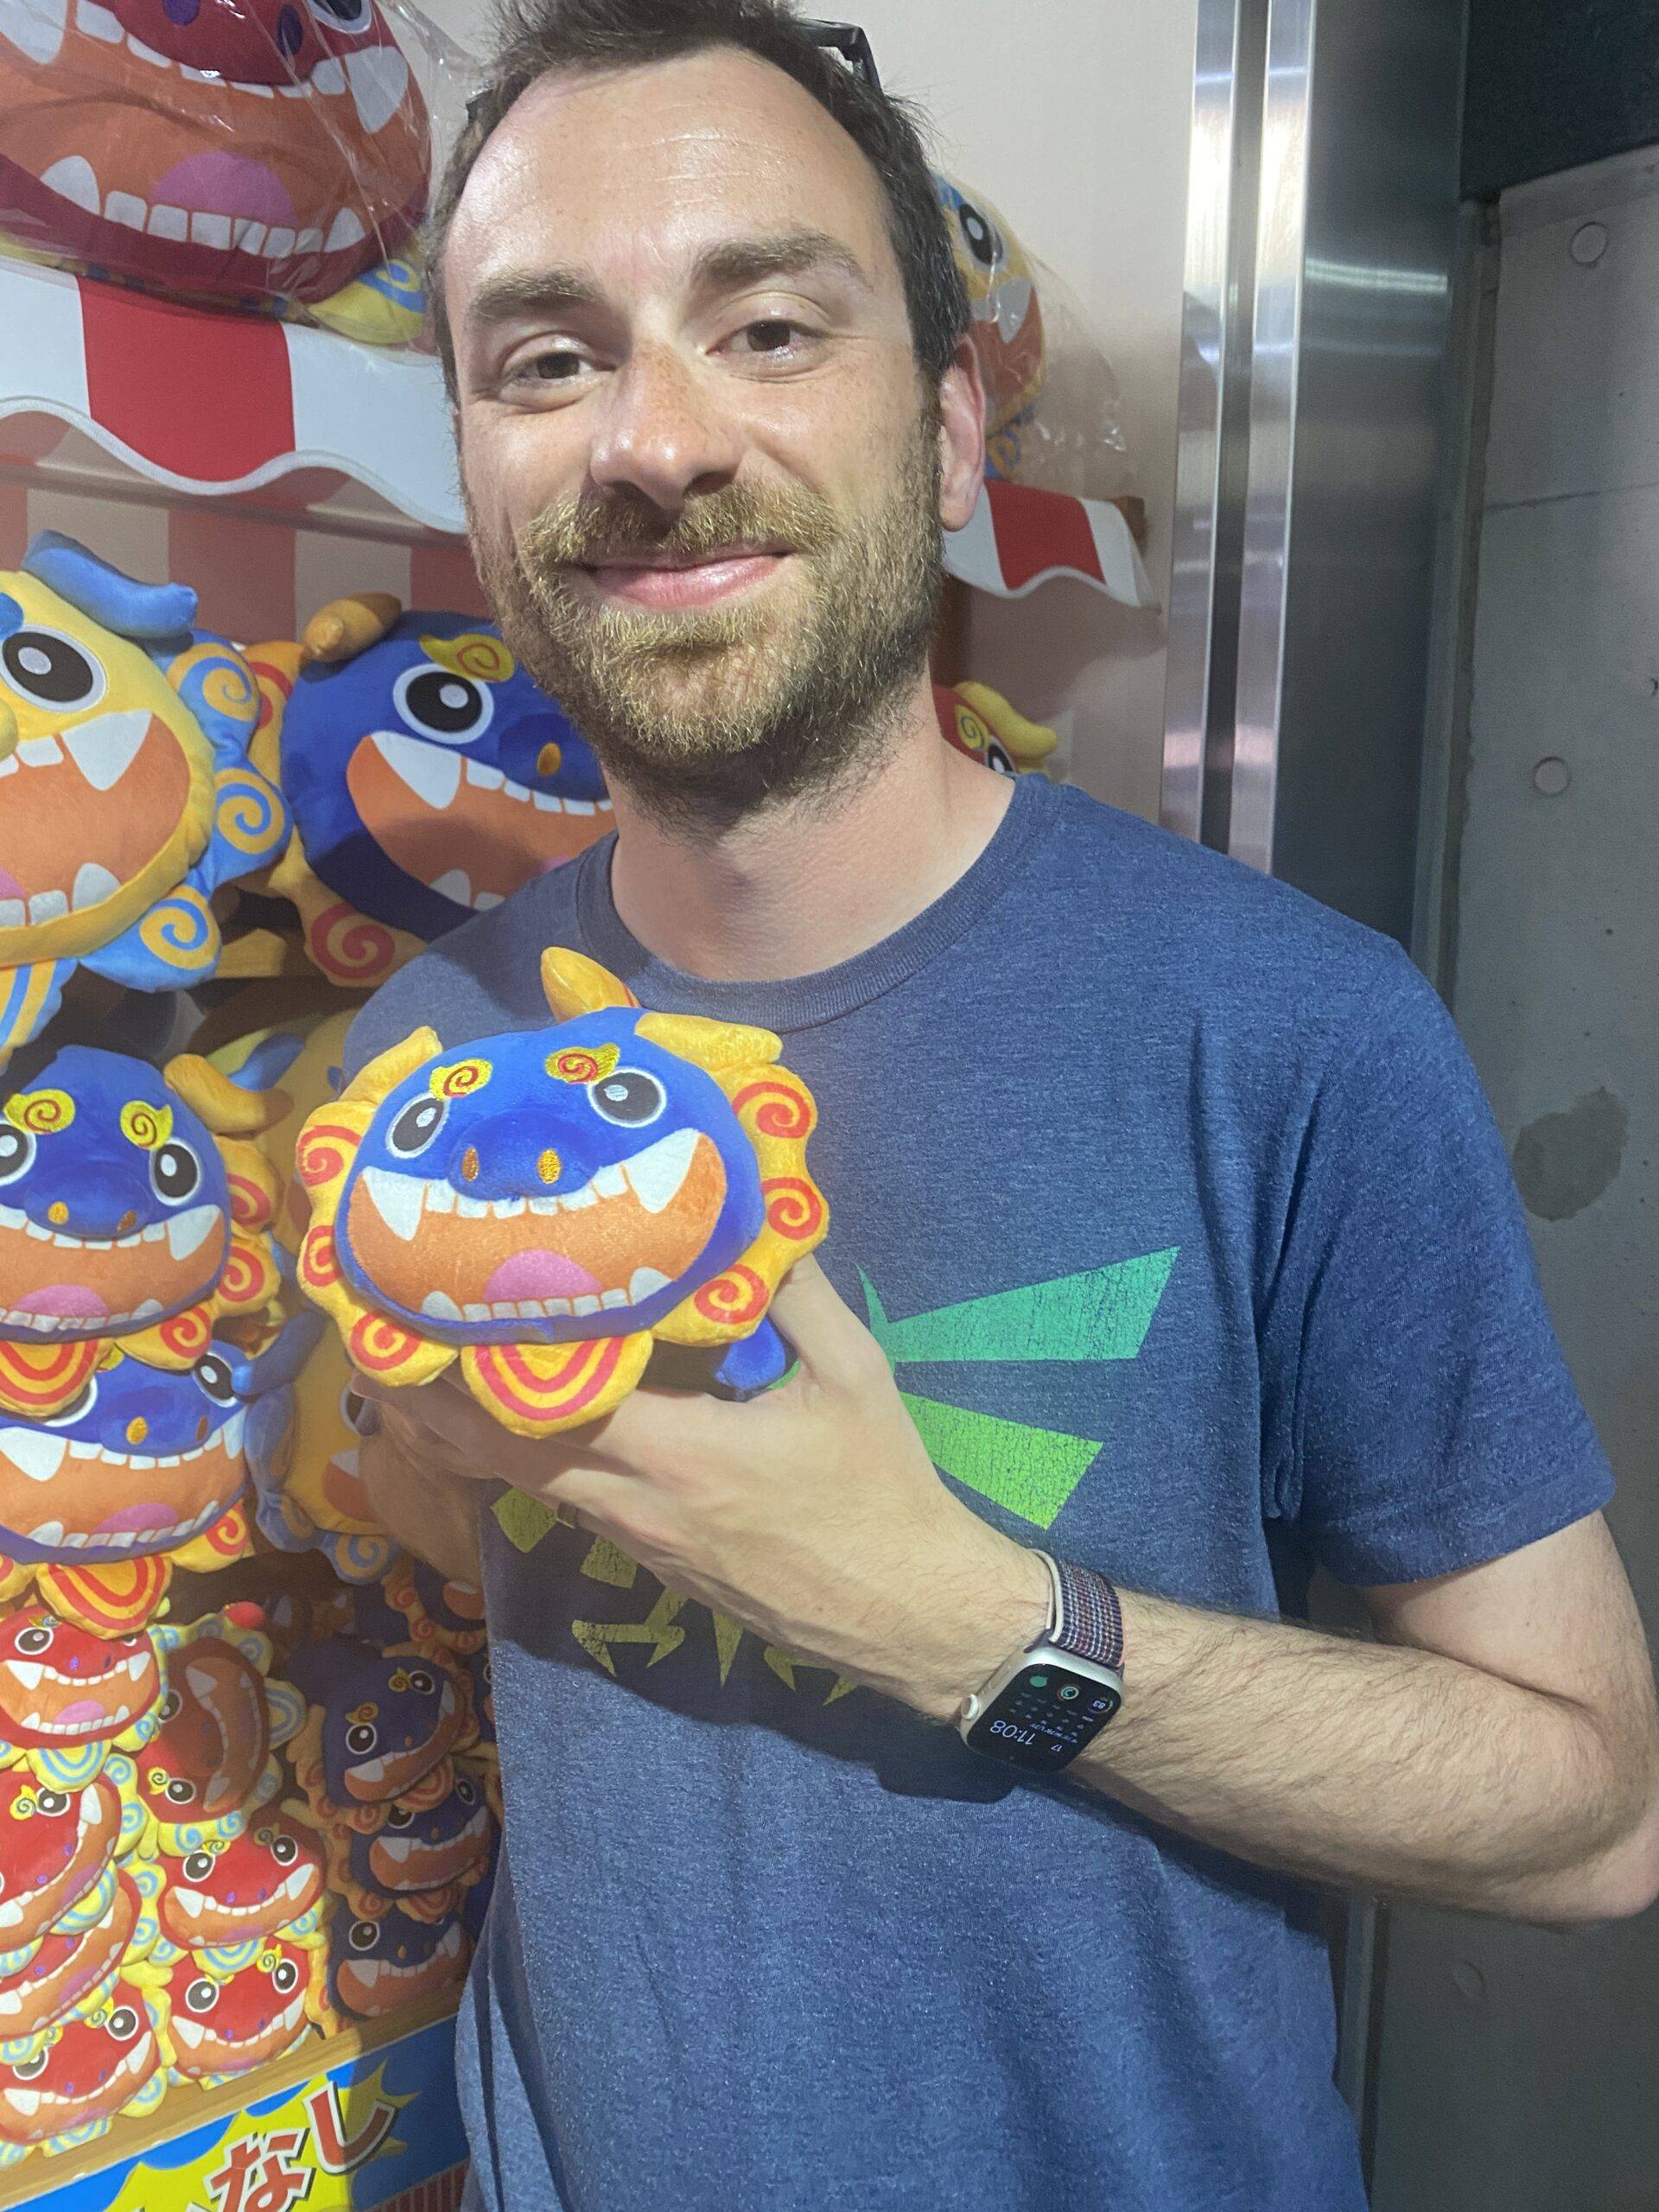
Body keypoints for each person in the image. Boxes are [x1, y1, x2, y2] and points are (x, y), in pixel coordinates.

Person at [343, 3, 1659, 2205]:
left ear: (949, 427)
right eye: (546, 360)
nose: (653, 440)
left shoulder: (1291, 1033)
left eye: (769, 327)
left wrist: (957, 1613)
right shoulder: (422, 1060)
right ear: (475, 467)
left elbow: (1594, 1805)